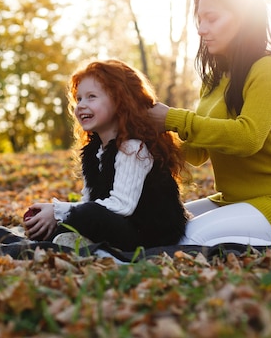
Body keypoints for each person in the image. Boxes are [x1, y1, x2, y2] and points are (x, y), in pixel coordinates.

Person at [149, 0, 271, 246]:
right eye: (200, 19)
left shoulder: (268, 68)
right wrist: (145, 134)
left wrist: (172, 118)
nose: (202, 28)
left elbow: (247, 138)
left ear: (243, 17)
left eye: (212, 18)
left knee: (183, 240)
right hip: (233, 200)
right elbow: (196, 152)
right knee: (159, 226)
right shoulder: (215, 80)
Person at [23, 59, 189, 251]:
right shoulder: (93, 152)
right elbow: (90, 202)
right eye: (79, 98)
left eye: (91, 97)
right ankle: (45, 237)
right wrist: (54, 216)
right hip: (117, 225)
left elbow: (121, 206)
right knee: (75, 216)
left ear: (120, 101)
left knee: (85, 215)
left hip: (147, 234)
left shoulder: (133, 148)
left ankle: (67, 240)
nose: (81, 105)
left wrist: (59, 211)